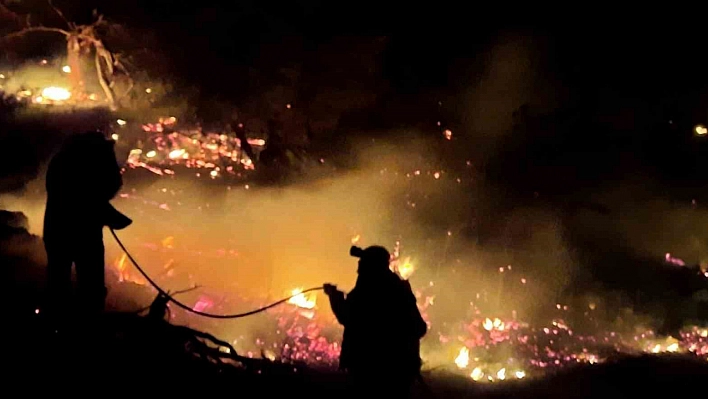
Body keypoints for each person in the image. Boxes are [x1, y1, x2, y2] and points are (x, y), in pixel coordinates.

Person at [43, 131, 132, 324]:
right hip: (85, 235)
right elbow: (110, 186)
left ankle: (56, 326)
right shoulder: (93, 159)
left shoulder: (60, 160)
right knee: (90, 288)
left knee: (58, 283)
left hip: (56, 231)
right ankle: (85, 329)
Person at [324, 245, 428, 398]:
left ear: (371, 266)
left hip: (370, 367)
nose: (358, 270)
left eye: (362, 264)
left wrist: (334, 297)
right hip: (400, 370)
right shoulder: (398, 288)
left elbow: (347, 317)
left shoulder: (369, 289)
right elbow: (419, 328)